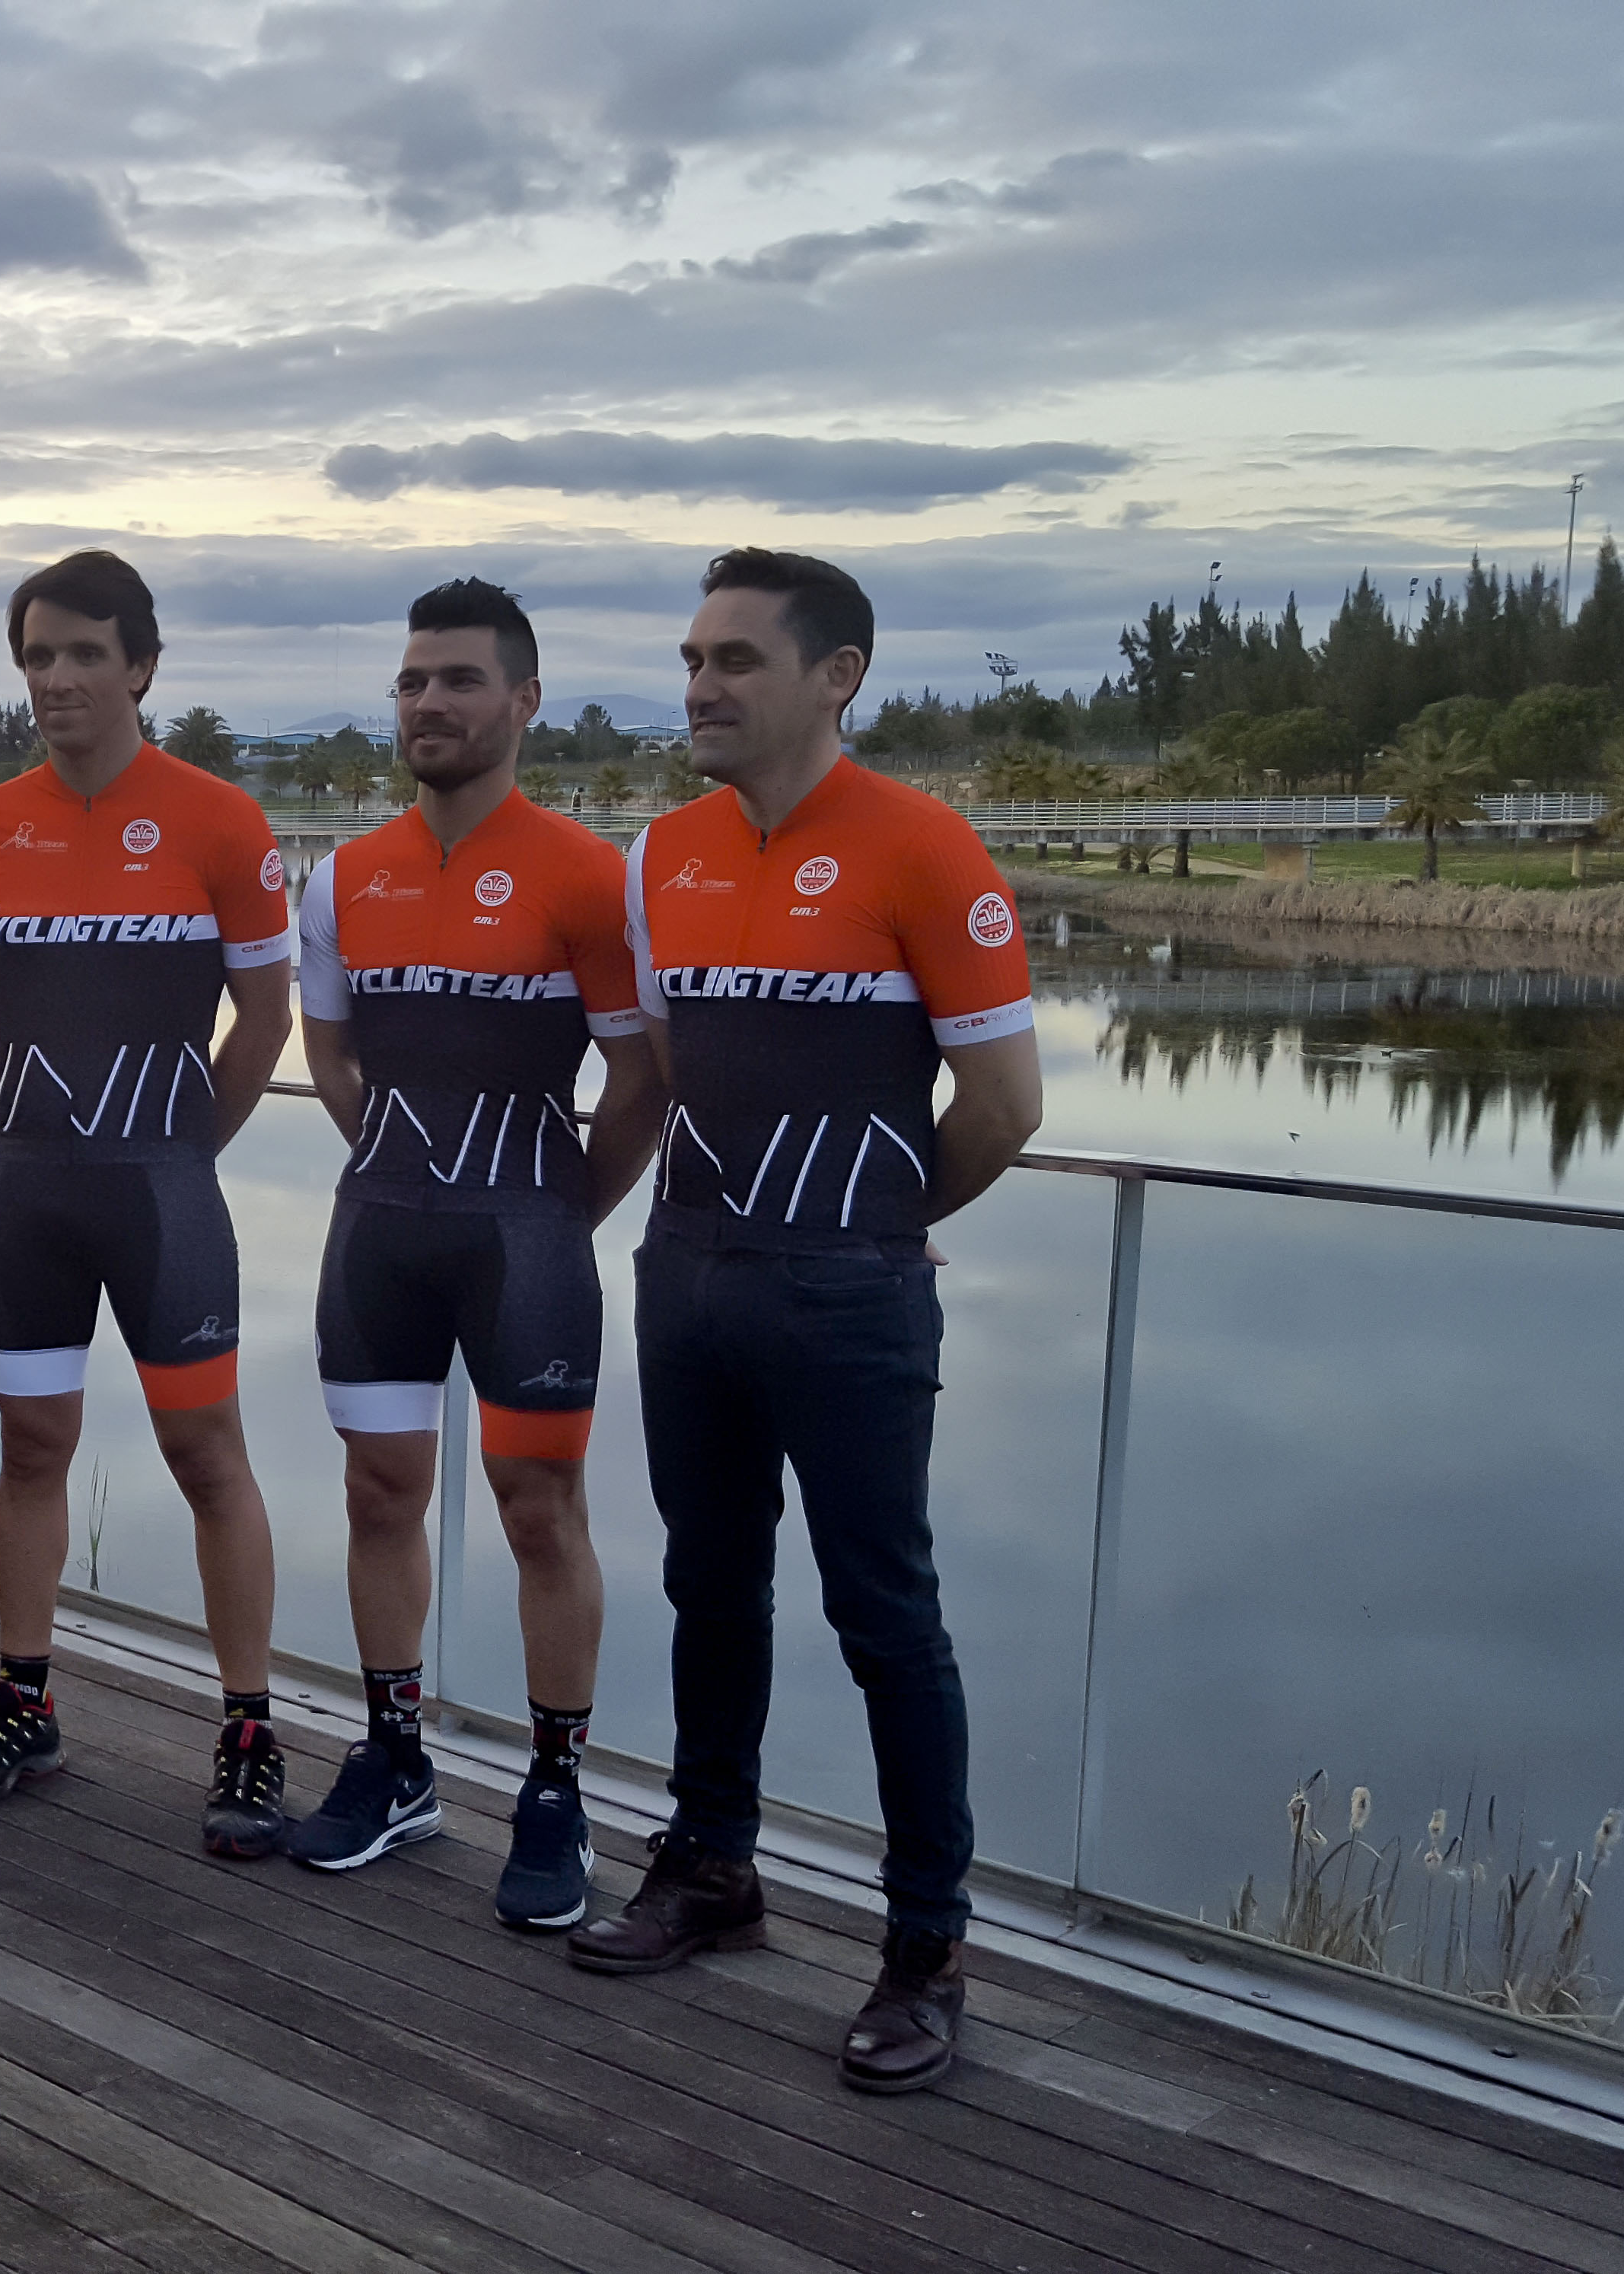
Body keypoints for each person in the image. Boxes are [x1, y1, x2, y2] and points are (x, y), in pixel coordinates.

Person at [565, 548, 1043, 2097]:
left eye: (736, 661)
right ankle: (712, 1866)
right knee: (708, 1587)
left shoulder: (924, 848)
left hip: (846, 1294)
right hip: (687, 1275)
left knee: (883, 1614)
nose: (700, 686)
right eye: (692, 659)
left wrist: (876, 1230)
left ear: (837, 678)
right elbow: (658, 1070)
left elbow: (1004, 1105)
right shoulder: (666, 855)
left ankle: (926, 1951)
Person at [282, 580, 667, 1929]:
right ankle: (397, 1761)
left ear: (523, 701)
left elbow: (641, 1083)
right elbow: (331, 1054)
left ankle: (556, 1790)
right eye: (411, 681)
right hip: (381, 1230)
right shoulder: (346, 876)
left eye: (458, 680)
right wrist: (407, 1160)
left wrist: (557, 1214)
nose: (428, 703)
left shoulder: (588, 875)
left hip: (527, 1240)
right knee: (378, 1493)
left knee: (539, 1511)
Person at [0, 549, 300, 1858]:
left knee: (209, 1458)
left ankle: (249, 1732)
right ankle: (24, 1701)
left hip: (163, 1195)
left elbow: (266, 1022)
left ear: (141, 668)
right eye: (39, 656)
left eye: (86, 654)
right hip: (27, 1186)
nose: (59, 678)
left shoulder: (221, 821)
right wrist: (57, 1124)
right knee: (31, 1449)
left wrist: (179, 1151)